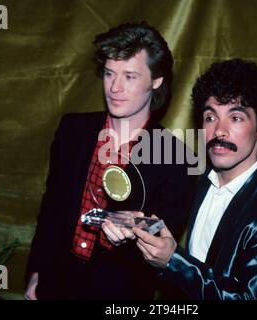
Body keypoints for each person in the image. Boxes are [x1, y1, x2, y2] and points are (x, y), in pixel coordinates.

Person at [25, 22, 196, 300]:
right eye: (109, 74)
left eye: (129, 76)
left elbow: (160, 245)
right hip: (54, 284)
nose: (115, 87)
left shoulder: (178, 159)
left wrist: (135, 229)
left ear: (156, 80)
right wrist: (36, 273)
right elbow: (51, 207)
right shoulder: (72, 130)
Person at [131, 59, 257, 299]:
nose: (219, 131)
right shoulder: (196, 181)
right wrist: (134, 225)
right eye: (210, 117)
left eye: (235, 118)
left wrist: (175, 263)